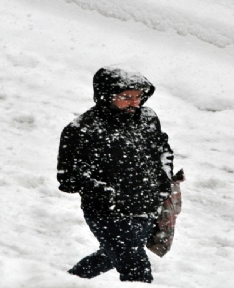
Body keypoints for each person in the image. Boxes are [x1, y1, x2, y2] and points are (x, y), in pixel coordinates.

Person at [57, 66, 174, 283]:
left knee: (111, 256)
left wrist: (164, 182)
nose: (134, 102)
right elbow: (68, 178)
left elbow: (163, 151)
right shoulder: (82, 129)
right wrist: (103, 191)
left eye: (138, 96)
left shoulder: (147, 119)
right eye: (126, 97)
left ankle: (62, 283)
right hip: (108, 214)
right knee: (136, 269)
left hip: (146, 207)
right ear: (105, 95)